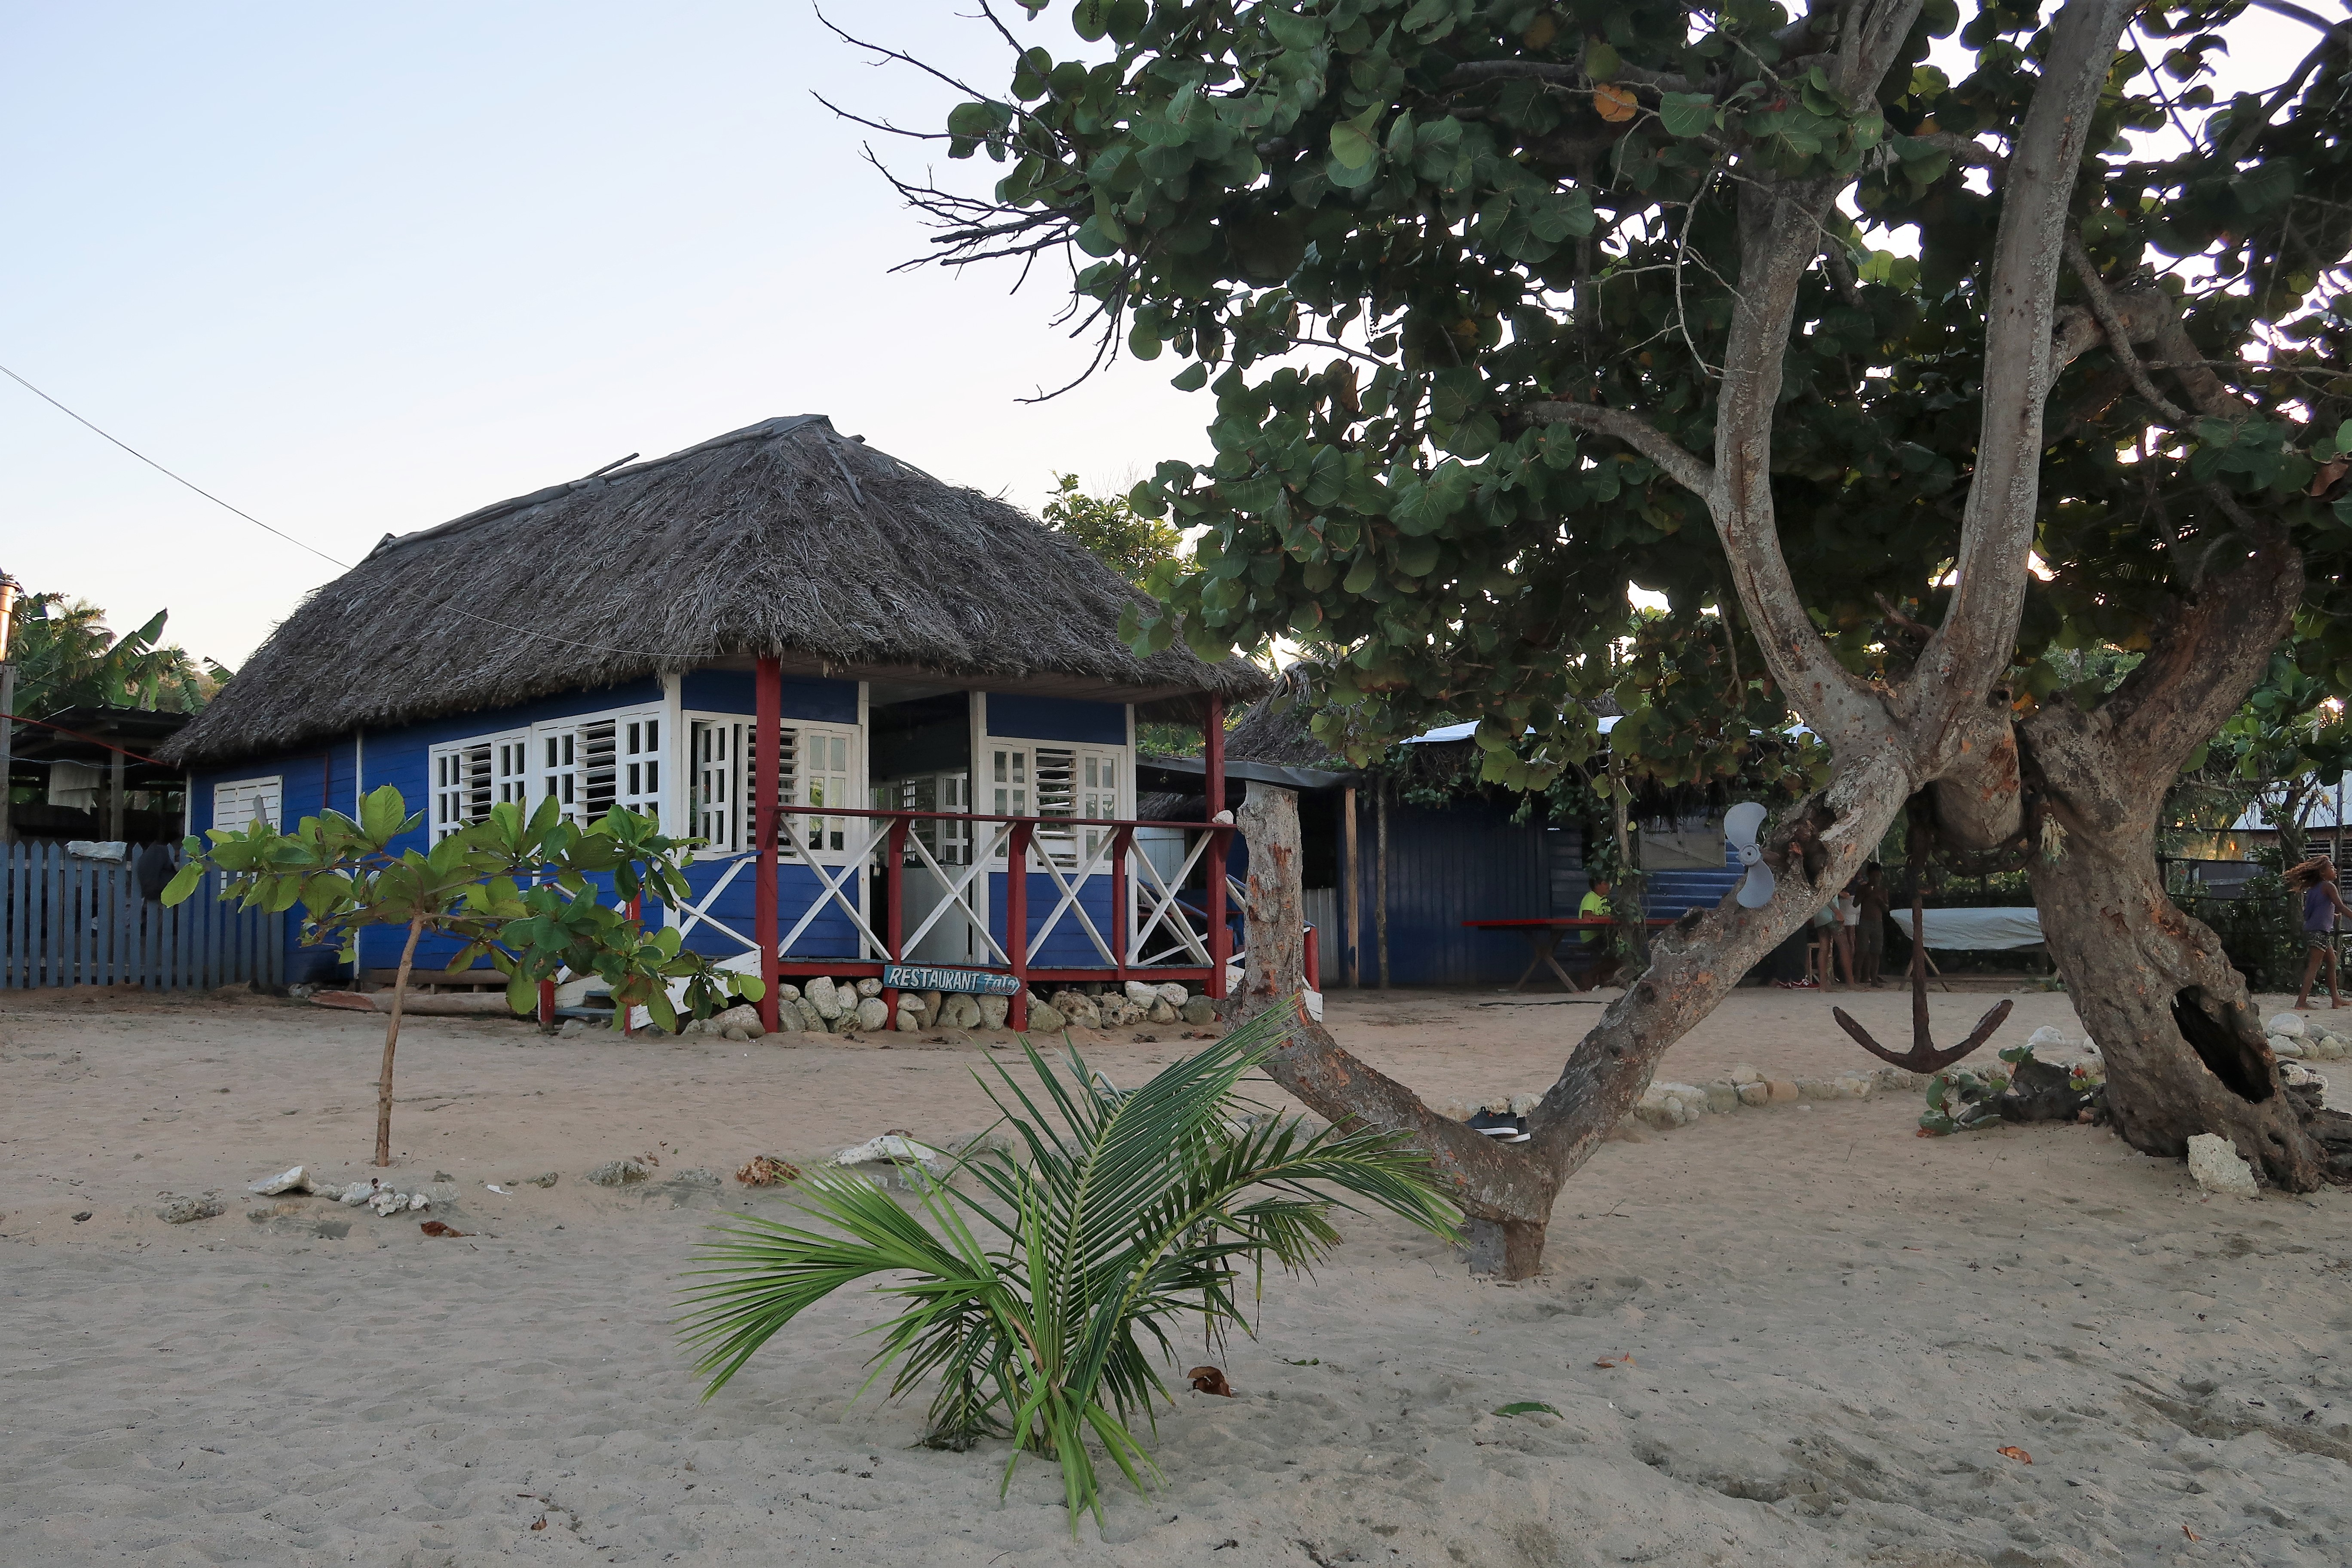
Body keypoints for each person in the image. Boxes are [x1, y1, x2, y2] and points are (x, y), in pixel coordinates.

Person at [2289, 857, 2352, 1010]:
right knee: (2314, 965)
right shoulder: (2329, 887)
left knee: (2331, 962)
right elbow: (2341, 907)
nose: (2335, 870)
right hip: (2319, 931)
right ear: (2323, 873)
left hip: (2315, 930)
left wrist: (2332, 916)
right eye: (2331, 867)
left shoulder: (2313, 889)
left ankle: (2336, 999)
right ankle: (2301, 1002)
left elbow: (2310, 912)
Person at [1855, 863, 1890, 985]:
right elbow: (1855, 903)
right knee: (1862, 950)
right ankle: (1857, 977)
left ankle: (1874, 978)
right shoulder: (1863, 888)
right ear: (1868, 875)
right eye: (1874, 876)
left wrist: (1881, 902)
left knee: (1876, 952)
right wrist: (1865, 893)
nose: (1876, 878)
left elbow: (1886, 909)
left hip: (1878, 923)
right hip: (1865, 922)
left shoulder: (1883, 890)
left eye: (1878, 876)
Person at [1579, 878, 1615, 985]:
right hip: (1591, 937)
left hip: (1604, 936)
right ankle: (1590, 975)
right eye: (1606, 883)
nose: (1609, 886)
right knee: (1616, 953)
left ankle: (1603, 977)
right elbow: (1586, 916)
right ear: (1597, 885)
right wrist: (1608, 919)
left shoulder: (1606, 901)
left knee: (1622, 950)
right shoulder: (1591, 897)